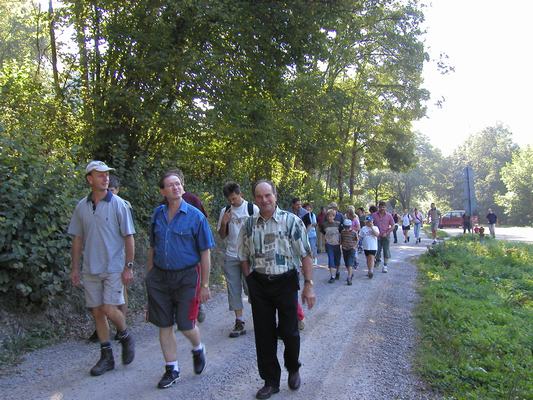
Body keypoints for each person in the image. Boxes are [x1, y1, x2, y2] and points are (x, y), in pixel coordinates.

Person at [238, 180, 316, 400]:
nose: (264, 200)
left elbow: (305, 254)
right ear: (254, 199)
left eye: (268, 195)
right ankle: (270, 381)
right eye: (259, 196)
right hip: (259, 284)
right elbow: (243, 256)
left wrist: (309, 285)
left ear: (275, 195)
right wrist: (250, 279)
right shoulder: (249, 224)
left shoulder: (291, 221)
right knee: (264, 335)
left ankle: (293, 368)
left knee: (290, 332)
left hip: (286, 282)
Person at [145, 169, 215, 389]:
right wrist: (149, 277)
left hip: (187, 277)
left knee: (185, 325)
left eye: (178, 184)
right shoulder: (157, 214)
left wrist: (204, 284)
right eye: (170, 185)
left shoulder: (196, 216)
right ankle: (172, 368)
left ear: (183, 187)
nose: (176, 187)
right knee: (164, 324)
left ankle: (197, 347)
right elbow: (152, 247)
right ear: (163, 191)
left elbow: (205, 252)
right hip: (159, 277)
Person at [68, 161, 136, 376]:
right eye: (100, 175)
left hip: (114, 266)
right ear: (90, 179)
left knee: (108, 308)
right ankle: (107, 357)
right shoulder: (82, 206)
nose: (106, 178)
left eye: (107, 175)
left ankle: (125, 335)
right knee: (97, 312)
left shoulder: (118, 204)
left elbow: (129, 237)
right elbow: (78, 239)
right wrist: (75, 268)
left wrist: (129, 267)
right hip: (91, 268)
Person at [87, 174, 132, 343]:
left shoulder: (122, 205)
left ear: (117, 190)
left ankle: (122, 326)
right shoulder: (92, 205)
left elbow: (128, 234)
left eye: (113, 190)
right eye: (109, 190)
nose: (110, 193)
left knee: (119, 297)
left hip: (117, 259)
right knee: (100, 303)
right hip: (98, 260)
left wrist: (128, 263)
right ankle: (102, 329)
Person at [217, 181, 259, 338]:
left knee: (252, 288)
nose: (232, 202)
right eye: (230, 200)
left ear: (241, 194)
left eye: (234, 198)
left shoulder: (251, 209)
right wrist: (224, 223)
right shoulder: (226, 211)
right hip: (231, 254)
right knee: (233, 289)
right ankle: (239, 321)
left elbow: (259, 231)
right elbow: (222, 235)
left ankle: (260, 317)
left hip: (249, 256)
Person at [372, 202, 394, 273]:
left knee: (386, 251)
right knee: (377, 251)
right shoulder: (374, 215)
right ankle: (377, 260)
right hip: (376, 237)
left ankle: (385, 266)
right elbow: (370, 224)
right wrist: (374, 231)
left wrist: (387, 233)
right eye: (381, 207)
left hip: (386, 236)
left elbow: (393, 225)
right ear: (378, 207)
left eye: (383, 207)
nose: (382, 208)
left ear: (386, 207)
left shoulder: (389, 215)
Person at [322, 209, 342, 283]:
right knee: (331, 260)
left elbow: (341, 233)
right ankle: (332, 276)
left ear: (334, 216)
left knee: (337, 260)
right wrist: (325, 240)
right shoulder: (324, 224)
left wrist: (341, 242)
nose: (330, 217)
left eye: (331, 216)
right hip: (329, 244)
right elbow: (323, 232)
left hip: (337, 244)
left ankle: (337, 272)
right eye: (328, 216)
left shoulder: (338, 224)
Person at [340, 219, 358, 285]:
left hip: (351, 249)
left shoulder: (354, 232)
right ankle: (351, 273)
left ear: (350, 226)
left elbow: (357, 240)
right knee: (347, 263)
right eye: (345, 227)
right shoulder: (342, 232)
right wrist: (341, 246)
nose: (346, 229)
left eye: (348, 227)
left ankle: (349, 278)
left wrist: (354, 246)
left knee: (350, 263)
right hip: (345, 249)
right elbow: (341, 240)